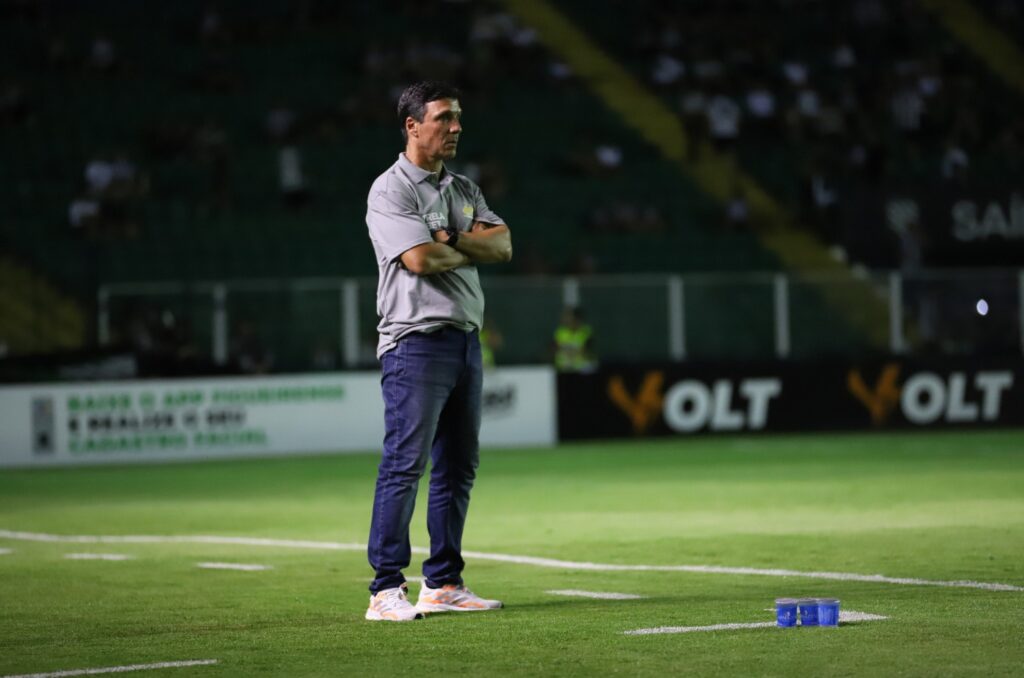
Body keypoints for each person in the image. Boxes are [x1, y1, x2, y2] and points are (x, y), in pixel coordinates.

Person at [363, 81, 512, 622]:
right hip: (415, 343)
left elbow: (504, 245)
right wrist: (456, 244)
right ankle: (384, 591)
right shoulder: (391, 191)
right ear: (412, 125)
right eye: (445, 118)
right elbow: (420, 261)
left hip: (464, 340)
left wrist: (450, 240)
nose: (456, 127)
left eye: (458, 118)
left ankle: (443, 583)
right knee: (405, 464)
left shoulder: (463, 187)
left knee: (457, 466)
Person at [553, 306, 596, 373]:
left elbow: (586, 350)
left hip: (582, 369)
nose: (566, 319)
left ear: (576, 318)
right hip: (564, 369)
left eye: (569, 317)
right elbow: (556, 349)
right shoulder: (560, 332)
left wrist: (571, 351)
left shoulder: (586, 331)